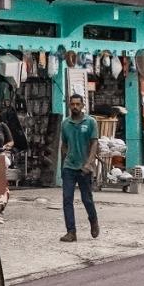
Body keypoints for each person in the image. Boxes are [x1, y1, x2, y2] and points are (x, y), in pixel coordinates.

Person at [56, 93, 100, 243]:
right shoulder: (65, 124)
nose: (75, 107)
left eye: (77, 104)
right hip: (69, 167)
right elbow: (64, 145)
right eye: (72, 104)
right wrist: (63, 164)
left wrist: (89, 163)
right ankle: (71, 232)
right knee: (67, 199)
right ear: (69, 105)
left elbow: (94, 143)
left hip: (84, 167)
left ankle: (93, 220)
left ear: (82, 105)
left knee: (86, 199)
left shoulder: (91, 122)